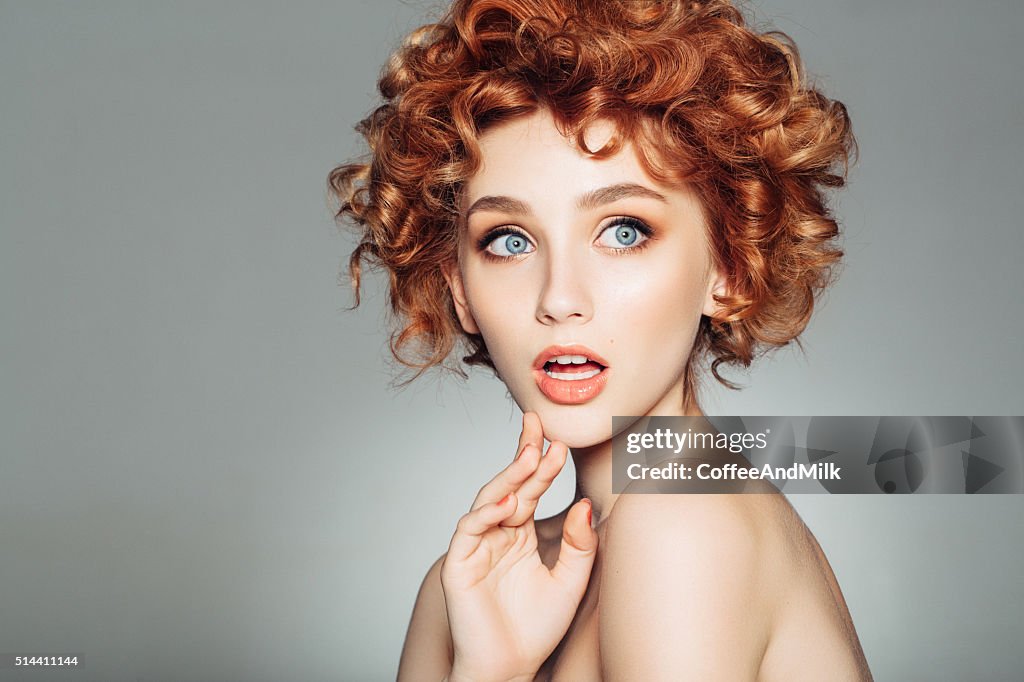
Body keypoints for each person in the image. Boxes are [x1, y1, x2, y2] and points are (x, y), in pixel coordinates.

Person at [330, 0, 872, 679]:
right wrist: (489, 670)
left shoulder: (680, 527)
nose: (559, 299)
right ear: (461, 290)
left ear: (730, 268)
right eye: (509, 240)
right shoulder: (468, 592)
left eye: (624, 231)